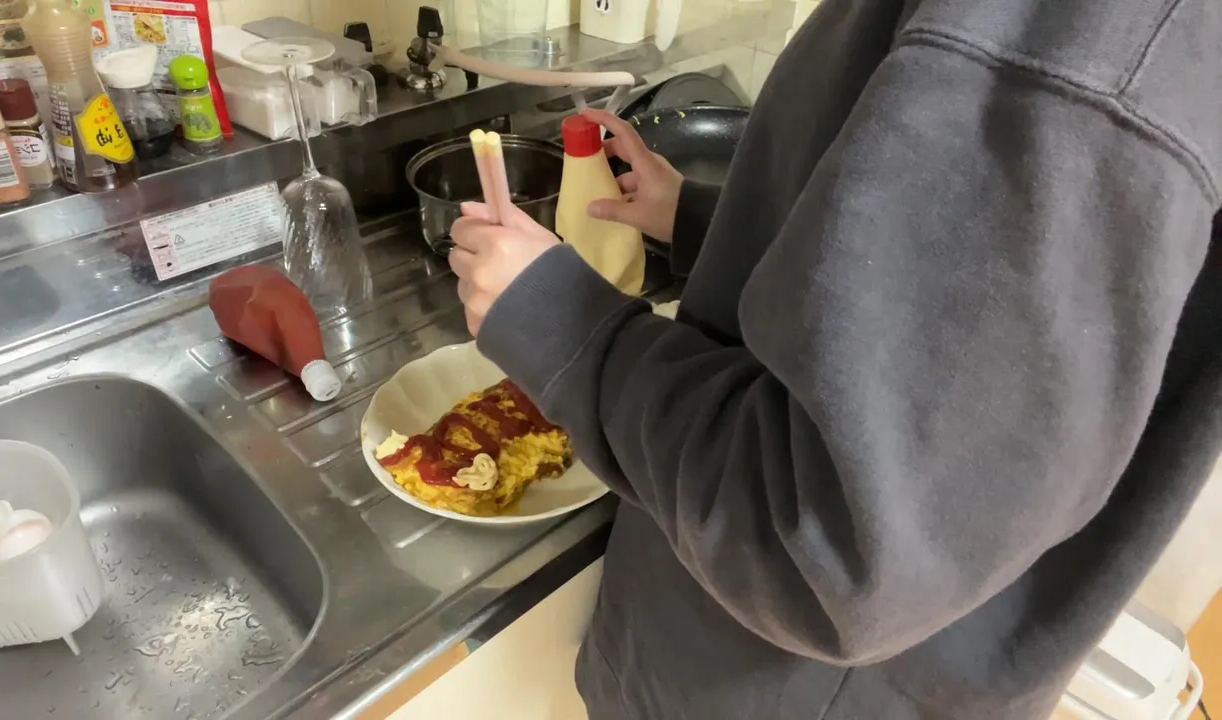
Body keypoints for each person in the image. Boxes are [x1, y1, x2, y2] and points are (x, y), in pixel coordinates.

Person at [448, 0, 1222, 716]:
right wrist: (709, 221)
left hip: (767, 687)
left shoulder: (1073, 31)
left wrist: (564, 326)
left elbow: (826, 546)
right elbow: (934, 283)